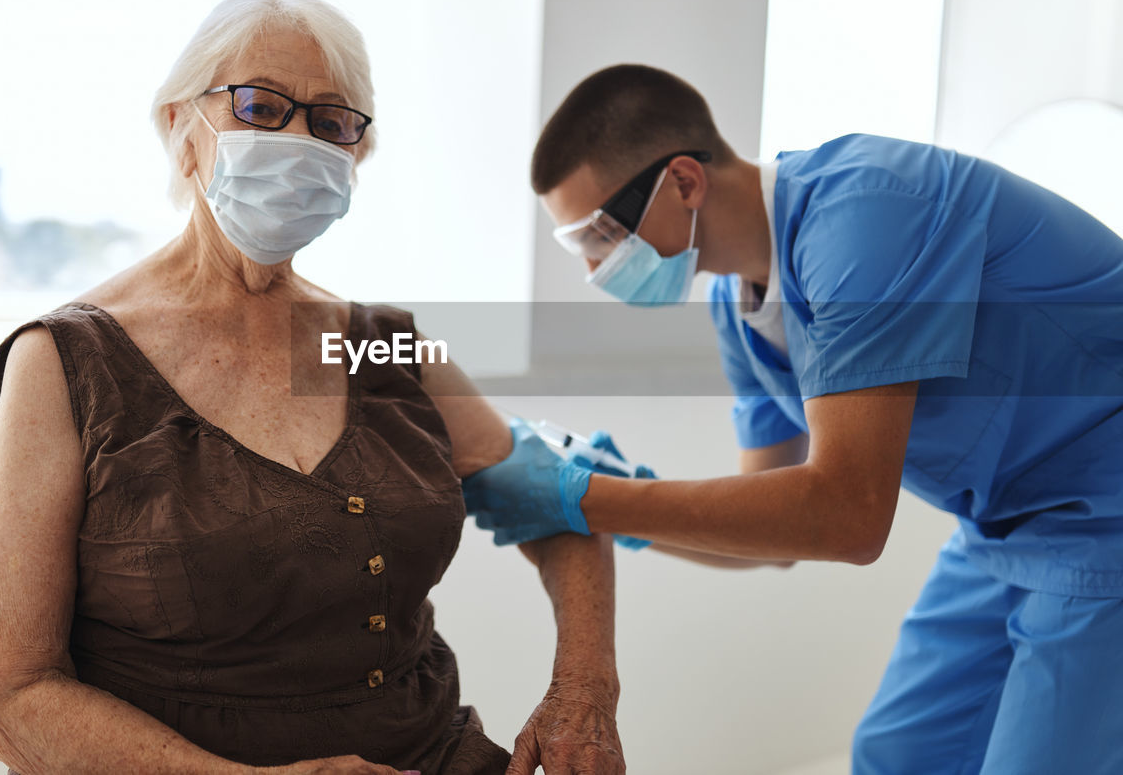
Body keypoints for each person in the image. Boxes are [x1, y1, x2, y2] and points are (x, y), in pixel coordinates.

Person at [0, 0, 625, 775]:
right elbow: (8, 692)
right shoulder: (68, 362)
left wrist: (583, 691)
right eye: (259, 105)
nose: (296, 139)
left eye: (331, 121)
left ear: (357, 156)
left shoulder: (383, 344)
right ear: (181, 127)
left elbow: (560, 500)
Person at [461, 64, 1123, 774]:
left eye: (598, 234)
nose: (594, 268)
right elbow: (773, 537)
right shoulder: (738, 311)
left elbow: (846, 514)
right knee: (898, 754)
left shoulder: (867, 213)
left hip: (1104, 515)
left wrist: (583, 498)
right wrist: (617, 494)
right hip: (1002, 525)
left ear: (684, 180)